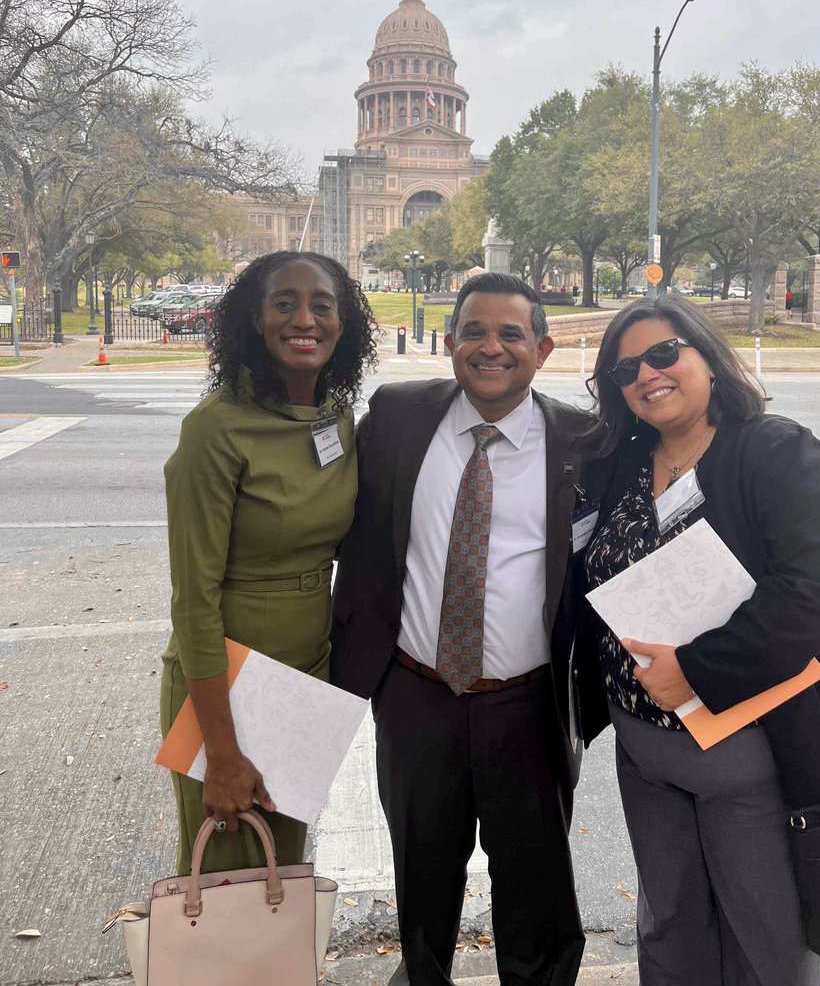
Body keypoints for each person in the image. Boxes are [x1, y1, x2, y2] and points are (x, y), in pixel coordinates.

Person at [569, 294, 820, 985]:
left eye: (664, 353)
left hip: (756, 755)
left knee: (770, 940)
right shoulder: (618, 464)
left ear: (708, 357)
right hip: (646, 752)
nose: (647, 375)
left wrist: (697, 672)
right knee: (670, 929)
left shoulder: (777, 453)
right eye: (626, 370)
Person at [331, 273, 599, 986]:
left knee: (535, 883)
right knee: (421, 869)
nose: (491, 347)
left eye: (511, 333)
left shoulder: (583, 442)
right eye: (474, 331)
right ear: (449, 343)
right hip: (416, 695)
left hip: (530, 703)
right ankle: (422, 977)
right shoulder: (396, 417)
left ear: (542, 348)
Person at [160, 251, 377, 874]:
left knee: (283, 867)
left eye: (321, 305)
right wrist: (222, 752)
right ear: (255, 320)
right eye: (284, 304)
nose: (303, 318)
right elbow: (192, 600)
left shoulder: (335, 415)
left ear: (344, 323)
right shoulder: (215, 430)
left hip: (309, 666)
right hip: (227, 677)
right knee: (228, 876)